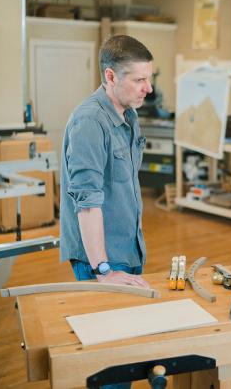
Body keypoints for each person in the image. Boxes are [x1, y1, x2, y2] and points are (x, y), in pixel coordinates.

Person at [60, 35, 153, 288]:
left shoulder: (129, 115)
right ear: (111, 77)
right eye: (139, 80)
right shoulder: (90, 122)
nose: (149, 88)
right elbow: (87, 203)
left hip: (128, 249)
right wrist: (103, 270)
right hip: (102, 261)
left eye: (149, 78)